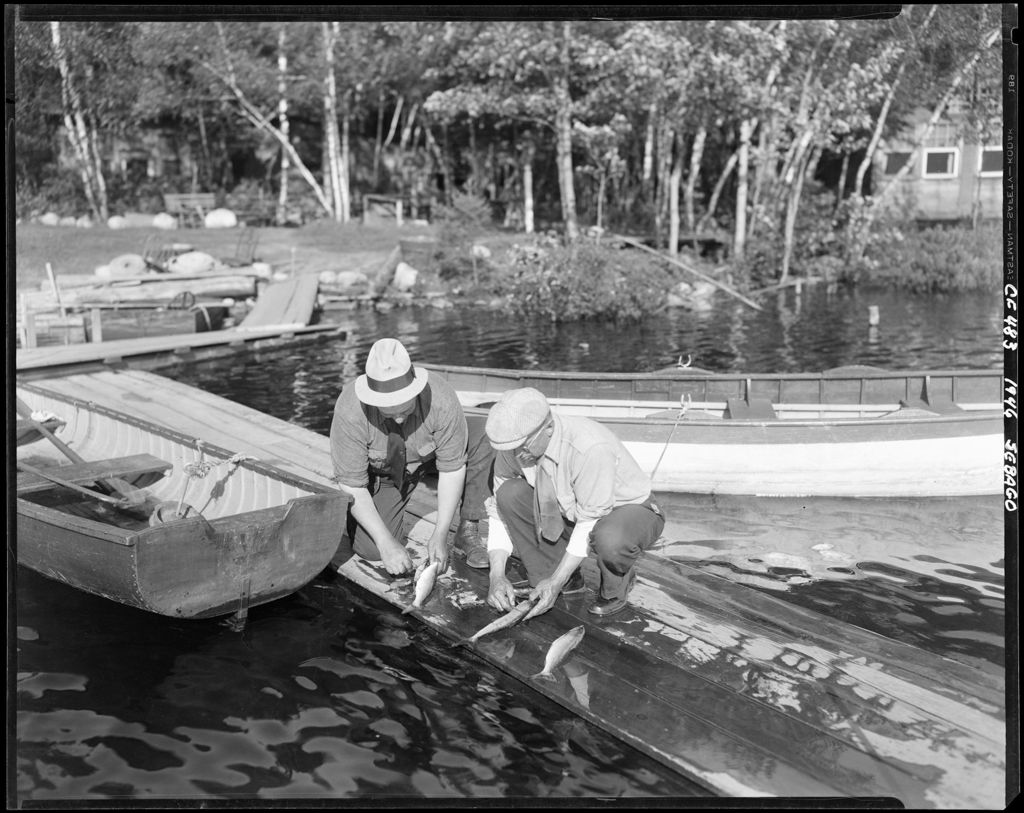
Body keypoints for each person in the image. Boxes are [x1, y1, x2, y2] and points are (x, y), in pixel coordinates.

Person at [482, 387, 665, 619]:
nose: (516, 452)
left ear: (548, 427)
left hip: (628, 509)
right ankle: (561, 577)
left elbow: (590, 520)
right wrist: (496, 576)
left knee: (610, 538)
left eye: (522, 444)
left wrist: (556, 581)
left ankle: (616, 585)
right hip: (570, 509)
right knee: (509, 494)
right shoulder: (515, 446)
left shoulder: (590, 447)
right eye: (510, 446)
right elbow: (499, 511)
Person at [330, 338, 492, 575]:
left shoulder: (441, 397)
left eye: (405, 411)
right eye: (388, 412)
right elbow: (351, 484)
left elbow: (452, 468)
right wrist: (386, 543)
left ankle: (467, 530)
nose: (398, 419)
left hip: (430, 460)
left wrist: (440, 533)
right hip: (385, 473)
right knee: (372, 550)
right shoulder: (349, 410)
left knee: (483, 436)